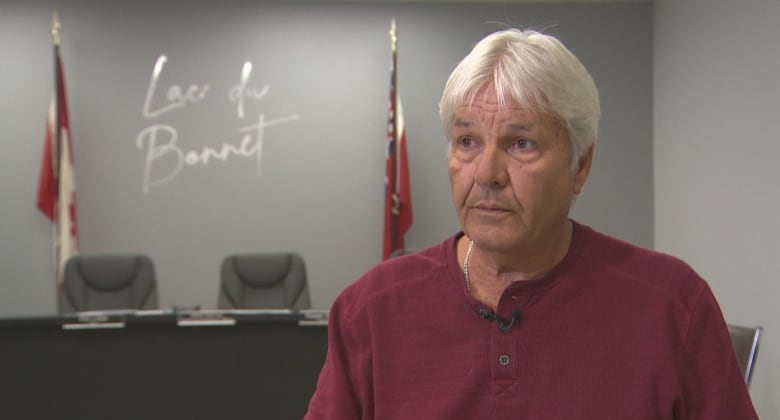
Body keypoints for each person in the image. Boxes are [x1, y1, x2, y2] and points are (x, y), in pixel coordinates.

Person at [304, 28, 758, 420]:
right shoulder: (369, 311)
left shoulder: (673, 305)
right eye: (467, 142)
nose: (487, 174)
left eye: (520, 143)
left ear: (581, 164)